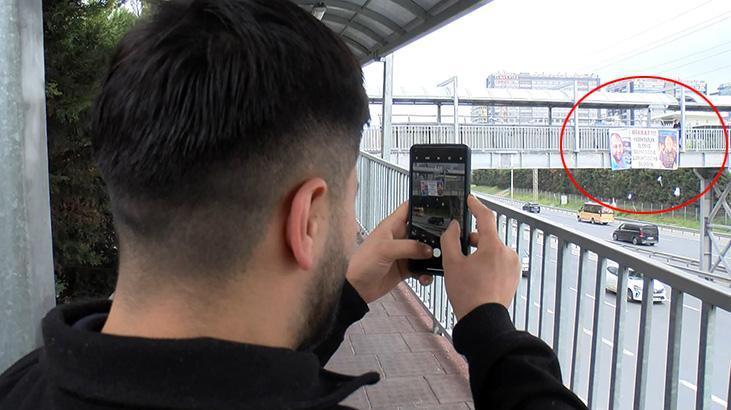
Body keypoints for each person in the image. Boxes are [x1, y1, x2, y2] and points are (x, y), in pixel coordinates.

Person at [0, 1, 586, 409]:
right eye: (351, 204)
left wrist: (348, 293)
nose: (354, 230)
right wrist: (489, 327)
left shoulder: (21, 382)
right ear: (307, 218)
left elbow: (230, 378)